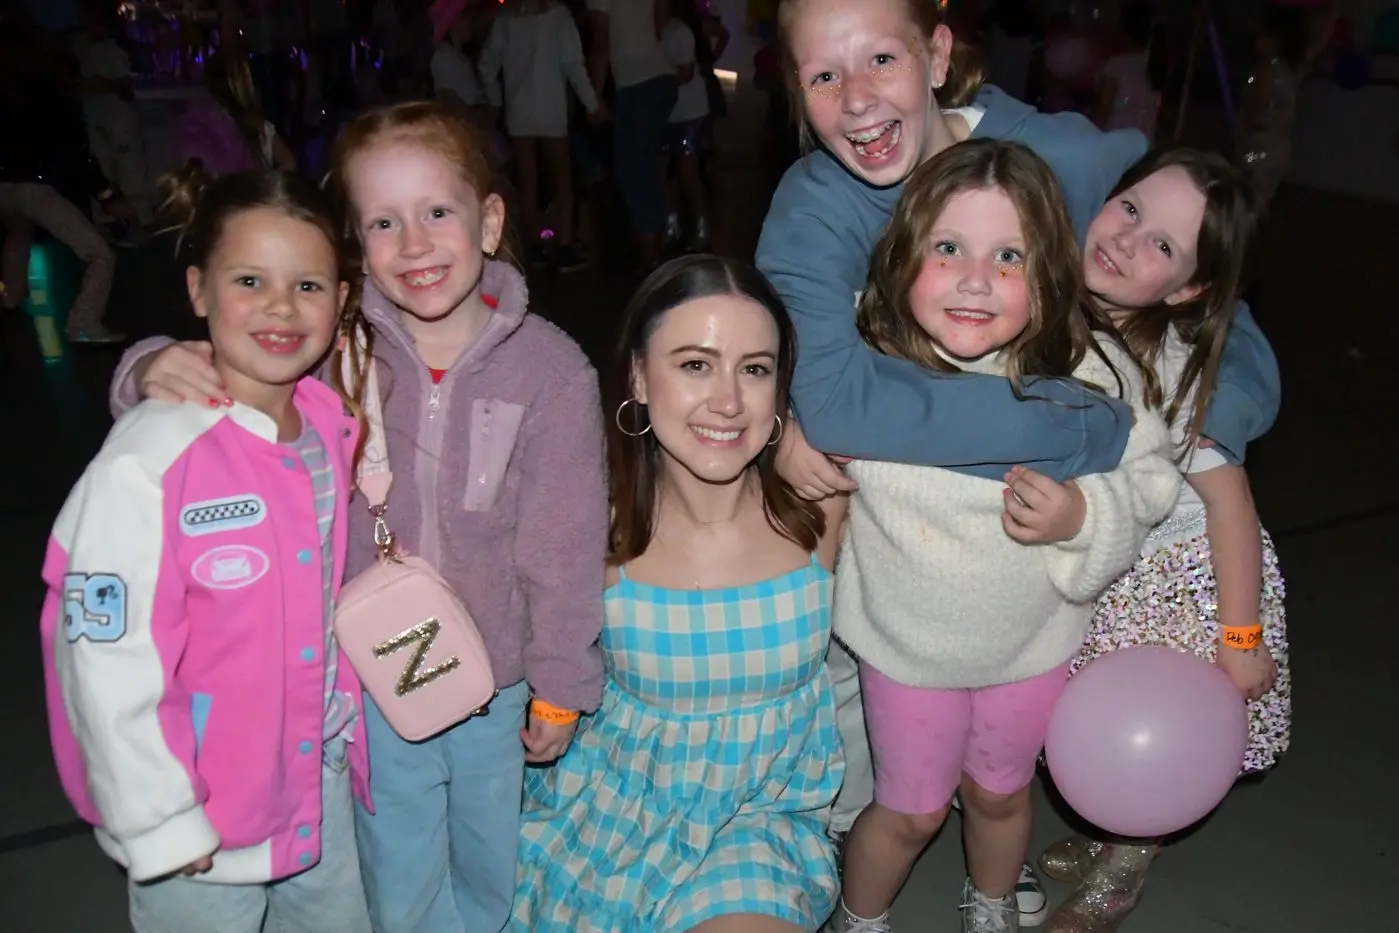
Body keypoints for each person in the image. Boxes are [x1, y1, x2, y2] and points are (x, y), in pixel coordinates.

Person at [758, 4, 1282, 922]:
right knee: (887, 772)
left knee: (1008, 763)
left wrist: (1178, 417)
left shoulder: (1063, 162)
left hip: (1048, 591)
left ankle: (993, 861)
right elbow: (828, 392)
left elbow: (1213, 302)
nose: (858, 99)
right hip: (909, 593)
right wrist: (792, 414)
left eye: (881, 59)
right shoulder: (814, 209)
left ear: (937, 55)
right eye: (822, 75)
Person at [107, 101, 610, 933]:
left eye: (436, 212)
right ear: (355, 244)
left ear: (488, 222)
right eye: (382, 222)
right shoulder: (333, 347)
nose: (412, 244)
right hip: (371, 671)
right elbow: (219, 367)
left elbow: (564, 543)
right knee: (396, 858)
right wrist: (148, 367)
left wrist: (561, 682)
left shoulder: (550, 371)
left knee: (491, 852)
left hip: (499, 678)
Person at [826, 140, 1180, 933]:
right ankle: (858, 916)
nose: (975, 280)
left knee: (999, 794)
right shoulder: (863, 357)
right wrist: (803, 449)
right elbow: (792, 423)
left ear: (1046, 270)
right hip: (905, 649)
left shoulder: (1085, 367)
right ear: (903, 254)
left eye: (1009, 255)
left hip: (1029, 647)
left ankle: (989, 906)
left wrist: (1083, 515)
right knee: (909, 812)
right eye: (947, 247)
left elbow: (1153, 474)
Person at [40, 166, 371, 933]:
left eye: (308, 286)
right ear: (198, 289)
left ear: (340, 300)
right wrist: (158, 814)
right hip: (200, 810)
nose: (281, 307)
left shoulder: (329, 421)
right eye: (249, 280)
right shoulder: (148, 459)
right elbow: (100, 649)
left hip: (315, 778)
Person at [512, 254, 848, 933]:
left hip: (758, 825)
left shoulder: (822, 508)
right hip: (609, 819)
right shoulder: (593, 531)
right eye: (696, 364)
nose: (728, 401)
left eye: (754, 369)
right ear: (639, 375)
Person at [1036, 148, 1291, 933]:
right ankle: (1110, 826)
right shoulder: (1054, 313)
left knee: (1153, 734)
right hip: (1104, 563)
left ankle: (1123, 867)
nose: (1124, 238)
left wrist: (1238, 637)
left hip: (1178, 583)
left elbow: (1230, 505)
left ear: (1185, 289)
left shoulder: (1173, 375)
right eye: (1129, 208)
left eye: (1161, 245)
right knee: (1095, 716)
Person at [478, 0, 601, 272]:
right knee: (562, 180)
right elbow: (573, 65)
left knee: (528, 182)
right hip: (551, 107)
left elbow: (488, 63)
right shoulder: (557, 15)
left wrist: (495, 98)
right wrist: (592, 104)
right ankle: (564, 246)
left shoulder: (506, 18)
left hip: (518, 108)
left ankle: (534, 247)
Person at [586, 0, 680, 267]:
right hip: (662, 76)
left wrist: (594, 98)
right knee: (647, 164)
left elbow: (600, 43)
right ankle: (659, 236)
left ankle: (651, 252)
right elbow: (660, 20)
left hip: (636, 81)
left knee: (631, 169)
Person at [661, 0, 712, 250]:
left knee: (686, 170)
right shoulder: (650, 33)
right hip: (663, 113)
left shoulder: (679, 31)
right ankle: (672, 224)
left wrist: (655, 83)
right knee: (664, 170)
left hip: (688, 112)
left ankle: (701, 226)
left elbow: (686, 72)